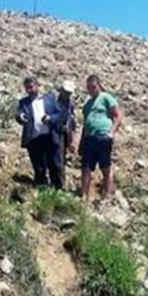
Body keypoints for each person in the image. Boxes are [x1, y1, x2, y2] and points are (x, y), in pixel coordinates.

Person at [78, 74, 122, 202]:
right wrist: (81, 141)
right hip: (89, 138)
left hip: (103, 136)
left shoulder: (106, 97)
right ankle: (84, 195)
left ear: (98, 85)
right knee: (86, 167)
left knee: (105, 167)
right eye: (88, 88)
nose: (91, 90)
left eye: (93, 87)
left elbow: (118, 116)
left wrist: (111, 133)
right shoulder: (88, 103)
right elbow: (86, 123)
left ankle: (107, 194)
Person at [15, 77, 64, 189]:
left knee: (54, 164)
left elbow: (59, 115)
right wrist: (20, 117)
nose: (29, 90)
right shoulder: (24, 103)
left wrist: (50, 118)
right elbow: (19, 114)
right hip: (34, 139)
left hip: (49, 137)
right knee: (38, 166)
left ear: (37, 85)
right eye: (27, 88)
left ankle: (57, 189)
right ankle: (41, 189)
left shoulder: (50, 99)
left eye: (31, 87)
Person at [54, 79, 78, 160]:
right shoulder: (54, 100)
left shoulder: (71, 102)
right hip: (53, 131)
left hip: (65, 132)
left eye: (69, 93)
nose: (67, 95)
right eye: (66, 92)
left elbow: (72, 119)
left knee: (61, 154)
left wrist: (72, 139)